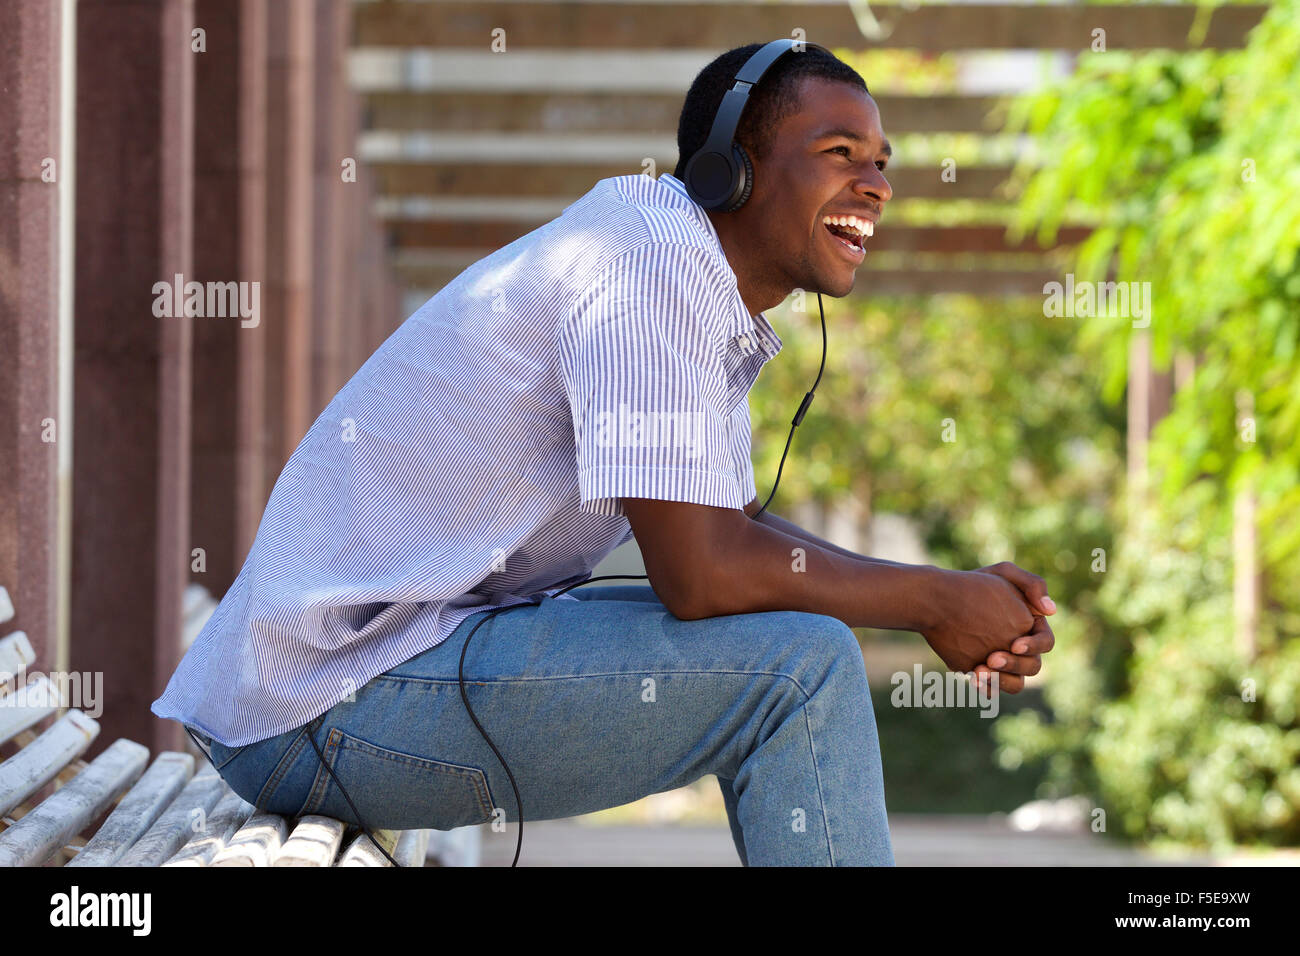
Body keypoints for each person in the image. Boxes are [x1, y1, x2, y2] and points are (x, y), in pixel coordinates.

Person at [151, 42, 1056, 866]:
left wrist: (947, 596)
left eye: (883, 163)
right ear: (730, 169)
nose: (877, 184)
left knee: (796, 647)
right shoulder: (647, 271)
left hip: (354, 687)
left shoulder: (678, 272)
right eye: (841, 154)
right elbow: (702, 576)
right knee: (799, 669)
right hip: (323, 706)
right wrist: (937, 599)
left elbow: (733, 532)